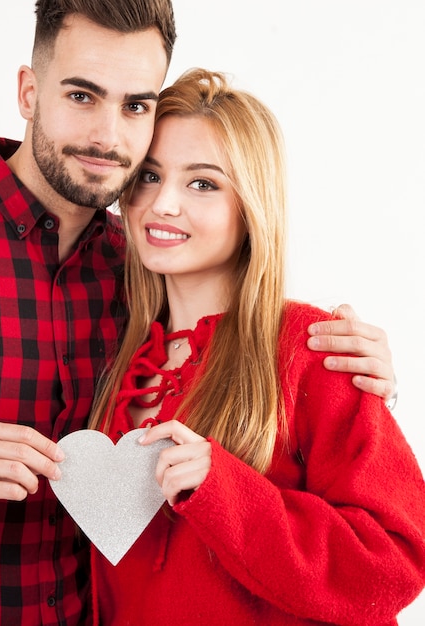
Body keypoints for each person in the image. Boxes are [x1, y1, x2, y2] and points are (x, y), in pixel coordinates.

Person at [0, 0, 397, 623]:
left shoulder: (141, 270)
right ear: (29, 92)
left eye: (135, 105)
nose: (110, 137)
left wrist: (352, 369)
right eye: (82, 96)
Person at [87, 68, 425, 625]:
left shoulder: (314, 347)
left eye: (202, 183)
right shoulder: (119, 353)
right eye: (149, 175)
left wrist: (223, 488)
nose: (163, 203)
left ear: (251, 207)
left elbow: (393, 564)